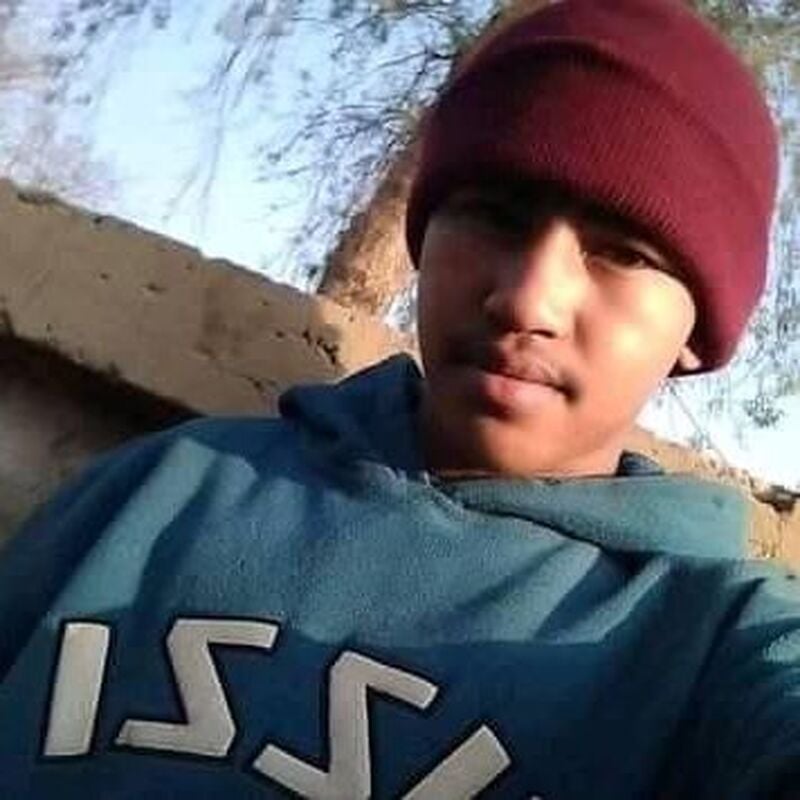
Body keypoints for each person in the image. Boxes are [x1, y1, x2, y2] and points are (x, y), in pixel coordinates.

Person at [0, 0, 797, 797]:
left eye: (623, 254)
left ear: (696, 334)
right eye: (493, 216)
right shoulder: (155, 493)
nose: (527, 301)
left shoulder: (705, 650)